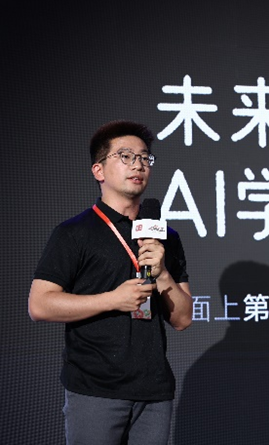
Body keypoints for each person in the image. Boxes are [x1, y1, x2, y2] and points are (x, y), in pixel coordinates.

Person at [28, 120, 193, 444]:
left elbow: (183, 319)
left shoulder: (166, 237)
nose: (138, 165)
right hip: (95, 388)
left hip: (154, 391)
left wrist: (162, 273)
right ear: (98, 170)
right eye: (126, 156)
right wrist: (113, 300)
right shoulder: (75, 233)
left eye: (144, 157)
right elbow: (40, 304)